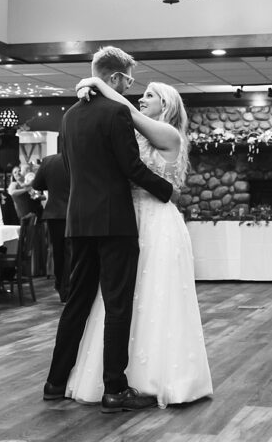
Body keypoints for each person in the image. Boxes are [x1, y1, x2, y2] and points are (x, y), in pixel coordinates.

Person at [66, 76, 213, 409]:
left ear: (168, 105)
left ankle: (159, 376)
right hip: (127, 219)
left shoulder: (170, 134)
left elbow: (127, 112)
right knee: (121, 298)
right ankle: (120, 376)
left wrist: (96, 83)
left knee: (157, 295)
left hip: (158, 221)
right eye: (143, 94)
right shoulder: (135, 135)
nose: (143, 98)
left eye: (151, 95)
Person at [44, 46, 175, 414]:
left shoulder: (69, 116)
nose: (131, 88)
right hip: (114, 222)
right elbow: (132, 168)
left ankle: (55, 382)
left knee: (77, 303)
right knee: (117, 306)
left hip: (77, 221)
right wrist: (168, 191)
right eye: (129, 81)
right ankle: (115, 389)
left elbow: (69, 169)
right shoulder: (116, 112)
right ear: (115, 78)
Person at [32, 151, 71, 302]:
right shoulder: (78, 156)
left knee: (58, 252)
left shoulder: (48, 161)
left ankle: (61, 287)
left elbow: (37, 185)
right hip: (75, 211)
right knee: (72, 253)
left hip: (54, 213)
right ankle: (69, 288)